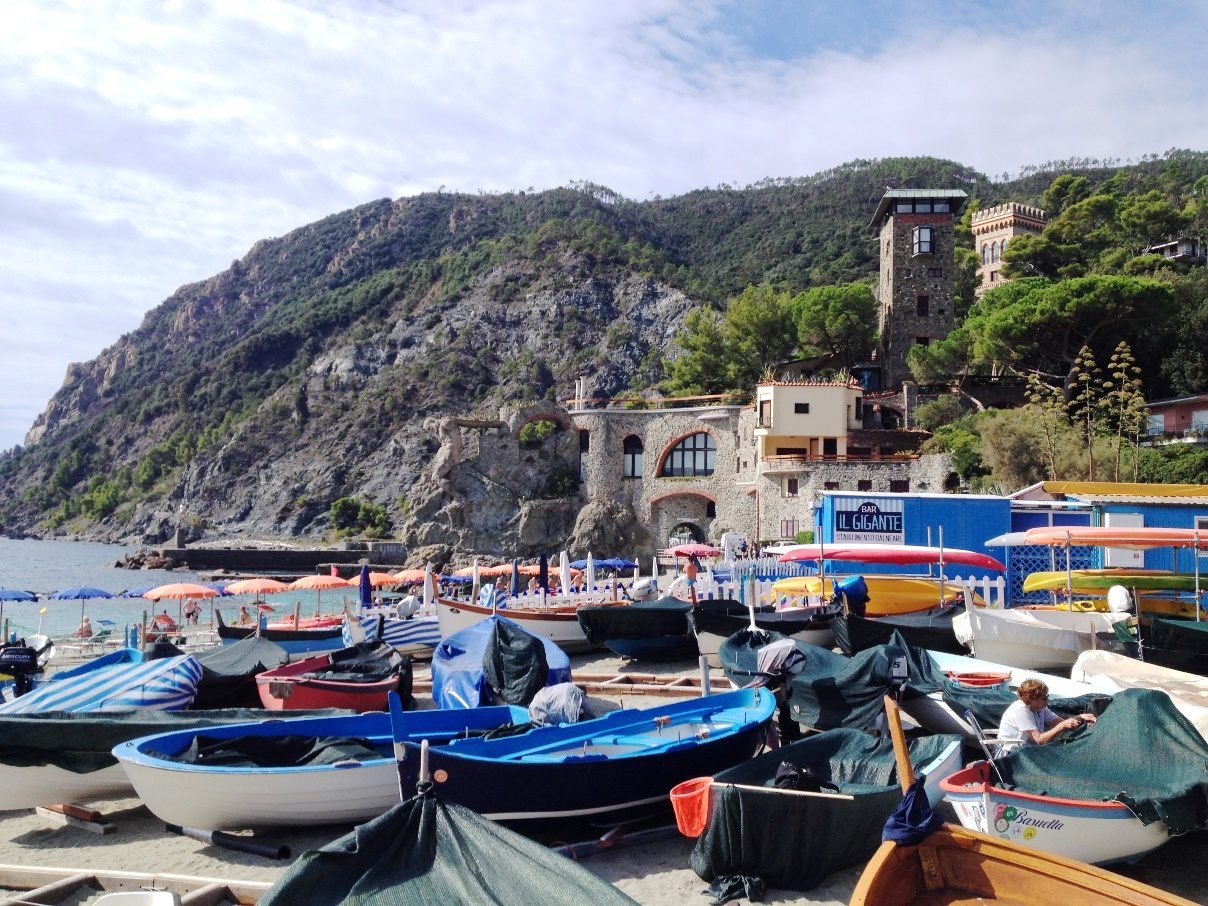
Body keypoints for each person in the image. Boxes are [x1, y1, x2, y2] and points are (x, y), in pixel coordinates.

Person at [997, 679, 1097, 753]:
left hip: (1029, 751)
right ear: (1032, 698)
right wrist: (1063, 726)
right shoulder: (1021, 710)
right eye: (1044, 697)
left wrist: (1080, 718)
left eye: (1047, 696)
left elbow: (1058, 722)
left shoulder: (1040, 708)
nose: (1047, 700)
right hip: (1012, 753)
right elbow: (1039, 740)